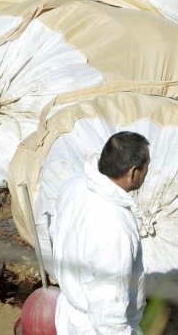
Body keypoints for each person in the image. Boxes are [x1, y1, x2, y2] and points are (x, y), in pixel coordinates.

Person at [51, 131, 151, 334]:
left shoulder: (76, 184)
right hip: (95, 327)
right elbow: (109, 309)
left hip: (70, 311)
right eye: (147, 165)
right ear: (133, 173)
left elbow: (55, 233)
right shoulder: (114, 225)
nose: (148, 170)